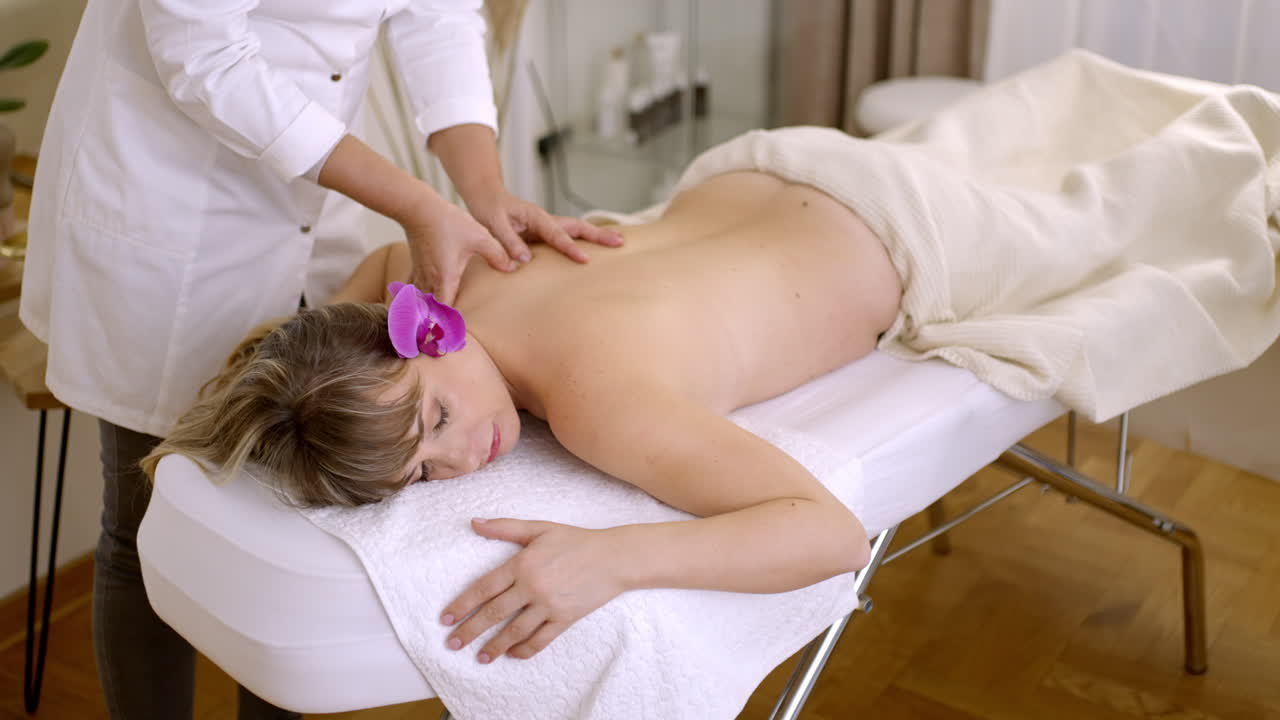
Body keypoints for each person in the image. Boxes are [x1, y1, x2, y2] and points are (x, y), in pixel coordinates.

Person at [19, 1, 617, 717]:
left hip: (312, 204)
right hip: (172, 206)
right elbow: (205, 55)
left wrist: (482, 190)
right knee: (143, 526)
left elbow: (440, 14)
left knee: (296, 530)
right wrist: (421, 205)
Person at [143, 168, 904, 667]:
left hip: (904, 231)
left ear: (428, 328)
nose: (467, 457)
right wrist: (325, 386)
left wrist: (614, 559)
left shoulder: (596, 403)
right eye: (425, 473)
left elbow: (831, 536)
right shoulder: (440, 267)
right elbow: (376, 275)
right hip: (758, 173)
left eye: (438, 419)